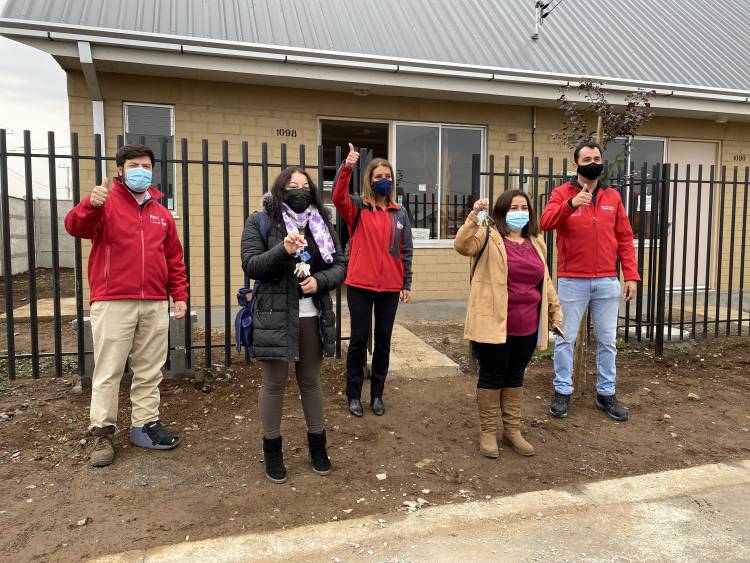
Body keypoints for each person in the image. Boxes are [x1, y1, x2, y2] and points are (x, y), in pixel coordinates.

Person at [64, 144, 188, 468]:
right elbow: (75, 227)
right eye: (134, 165)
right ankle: (102, 433)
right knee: (109, 370)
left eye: (146, 165)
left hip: (154, 302)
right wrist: (89, 205)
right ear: (120, 169)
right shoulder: (105, 203)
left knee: (149, 368)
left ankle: (144, 425)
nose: (141, 170)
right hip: (112, 299)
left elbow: (174, 258)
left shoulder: (161, 214)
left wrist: (180, 295)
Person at [241, 167, 346, 484]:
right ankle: (273, 450)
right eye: (292, 185)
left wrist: (320, 281)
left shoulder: (322, 223)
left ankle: (318, 448)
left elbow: (340, 265)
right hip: (274, 314)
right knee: (273, 383)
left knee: (311, 381)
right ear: (280, 189)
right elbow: (251, 264)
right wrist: (283, 250)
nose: (299, 190)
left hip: (311, 314)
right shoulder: (260, 220)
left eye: (305, 185)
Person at [455, 190, 562, 458]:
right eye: (513, 207)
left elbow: (545, 279)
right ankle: (488, 432)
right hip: (492, 325)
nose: (519, 212)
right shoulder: (489, 236)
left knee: (515, 376)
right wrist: (473, 217)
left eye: (523, 207)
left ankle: (512, 430)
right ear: (502, 211)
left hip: (526, 326)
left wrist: (554, 312)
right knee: (492, 375)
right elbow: (462, 245)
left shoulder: (536, 241)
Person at [540, 140, 640, 421]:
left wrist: (630, 275)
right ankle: (562, 391)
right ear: (575, 165)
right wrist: (571, 205)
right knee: (564, 339)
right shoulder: (562, 193)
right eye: (587, 159)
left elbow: (624, 238)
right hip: (573, 280)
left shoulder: (613, 197)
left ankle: (606, 393)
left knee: (608, 340)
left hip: (607, 280)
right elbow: (546, 222)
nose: (593, 162)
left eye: (597, 157)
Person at [333, 144, 413, 417]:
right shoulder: (357, 207)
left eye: (387, 176)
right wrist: (347, 167)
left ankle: (377, 394)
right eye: (378, 176)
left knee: (383, 342)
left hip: (390, 287)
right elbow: (337, 197)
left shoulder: (399, 212)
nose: (384, 180)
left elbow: (406, 249)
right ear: (369, 180)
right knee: (358, 341)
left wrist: (407, 283)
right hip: (360, 286)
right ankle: (353, 394)